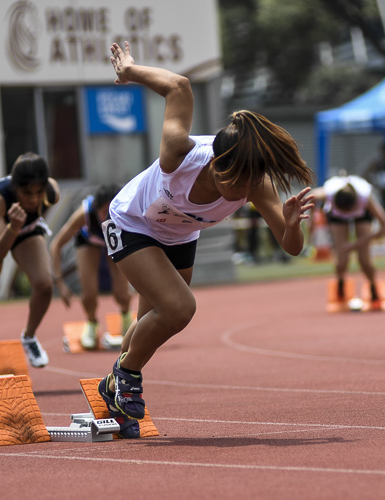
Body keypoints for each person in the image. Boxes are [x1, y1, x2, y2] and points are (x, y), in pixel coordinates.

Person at [98, 41, 315, 433]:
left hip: (178, 235)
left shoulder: (255, 185)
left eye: (251, 182)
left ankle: (114, 381)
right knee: (179, 308)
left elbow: (291, 246)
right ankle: (126, 374)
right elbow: (179, 86)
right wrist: (129, 69)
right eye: (235, 182)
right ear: (216, 163)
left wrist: (293, 223)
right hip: (132, 222)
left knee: (154, 317)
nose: (242, 191)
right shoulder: (178, 155)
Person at [0, 152, 60, 393]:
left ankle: (29, 336)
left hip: (23, 227)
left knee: (45, 285)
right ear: (15, 189)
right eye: (27, 194)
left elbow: (42, 202)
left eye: (39, 193)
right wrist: (13, 227)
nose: (34, 199)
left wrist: (21, 226)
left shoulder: (51, 191)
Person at [49, 184, 133, 349]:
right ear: (96, 209)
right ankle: (92, 323)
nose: (109, 216)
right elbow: (56, 245)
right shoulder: (84, 213)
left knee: (122, 293)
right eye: (104, 212)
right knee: (89, 293)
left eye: (112, 211)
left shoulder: (127, 211)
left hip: (114, 241)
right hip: (89, 242)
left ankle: (126, 317)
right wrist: (59, 282)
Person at [311, 174, 385, 308]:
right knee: (342, 259)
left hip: (362, 217)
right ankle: (340, 283)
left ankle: (373, 286)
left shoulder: (365, 198)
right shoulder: (328, 193)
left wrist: (357, 244)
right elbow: (312, 196)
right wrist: (311, 221)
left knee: (364, 260)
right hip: (337, 218)